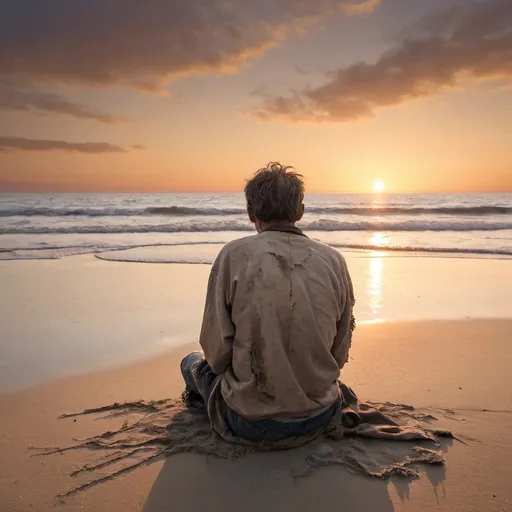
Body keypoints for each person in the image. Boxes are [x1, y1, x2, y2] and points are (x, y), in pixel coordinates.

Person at [180, 162, 355, 442]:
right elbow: (339, 353)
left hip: (248, 420)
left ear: (251, 213)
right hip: (319, 413)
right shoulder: (334, 260)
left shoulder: (232, 256)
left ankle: (207, 405)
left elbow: (216, 354)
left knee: (190, 361)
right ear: (300, 211)